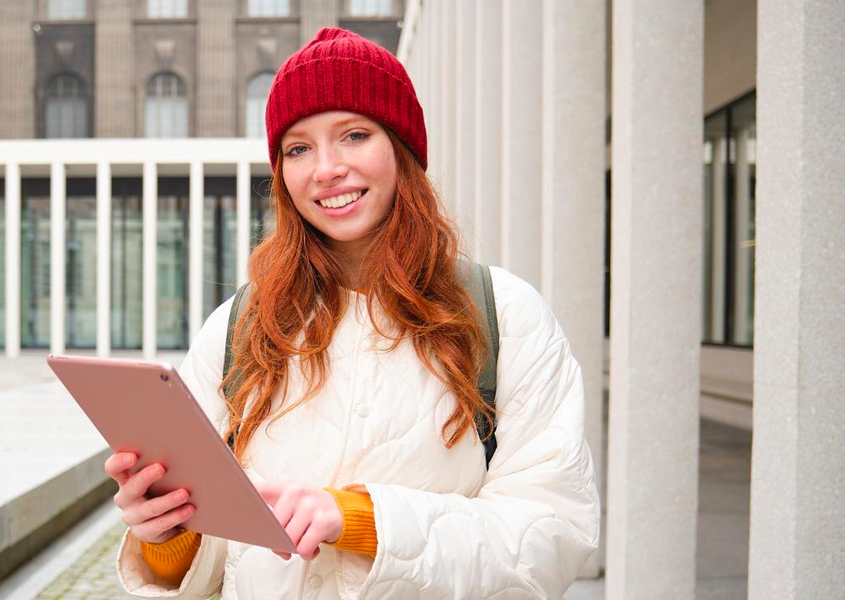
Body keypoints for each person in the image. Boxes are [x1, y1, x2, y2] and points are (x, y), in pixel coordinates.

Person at [107, 27, 600, 600]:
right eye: (298, 148)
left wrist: (364, 521)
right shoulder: (240, 327)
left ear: (402, 149)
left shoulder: (504, 315)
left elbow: (552, 536)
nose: (325, 169)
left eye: (354, 135)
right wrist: (168, 536)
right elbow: (220, 558)